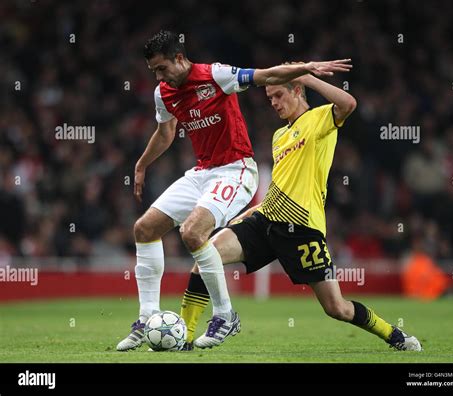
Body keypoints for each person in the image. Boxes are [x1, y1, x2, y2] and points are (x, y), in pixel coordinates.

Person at [117, 30, 352, 351]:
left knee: (192, 233)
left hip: (236, 169)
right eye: (154, 72)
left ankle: (225, 315)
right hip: (202, 172)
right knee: (143, 229)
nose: (159, 77)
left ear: (179, 59)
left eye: (162, 68)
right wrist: (142, 164)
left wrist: (306, 68)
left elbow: (267, 75)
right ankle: (146, 318)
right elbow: (165, 132)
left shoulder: (215, 75)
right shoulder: (164, 93)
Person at [184, 71, 423, 351]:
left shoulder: (320, 118)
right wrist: (251, 212)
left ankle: (394, 335)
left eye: (278, 95)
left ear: (297, 90)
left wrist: (307, 77)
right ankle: (185, 337)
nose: (273, 103)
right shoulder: (278, 136)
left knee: (337, 308)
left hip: (302, 229)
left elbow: (348, 103)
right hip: (266, 220)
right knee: (205, 255)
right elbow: (283, 185)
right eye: (269, 97)